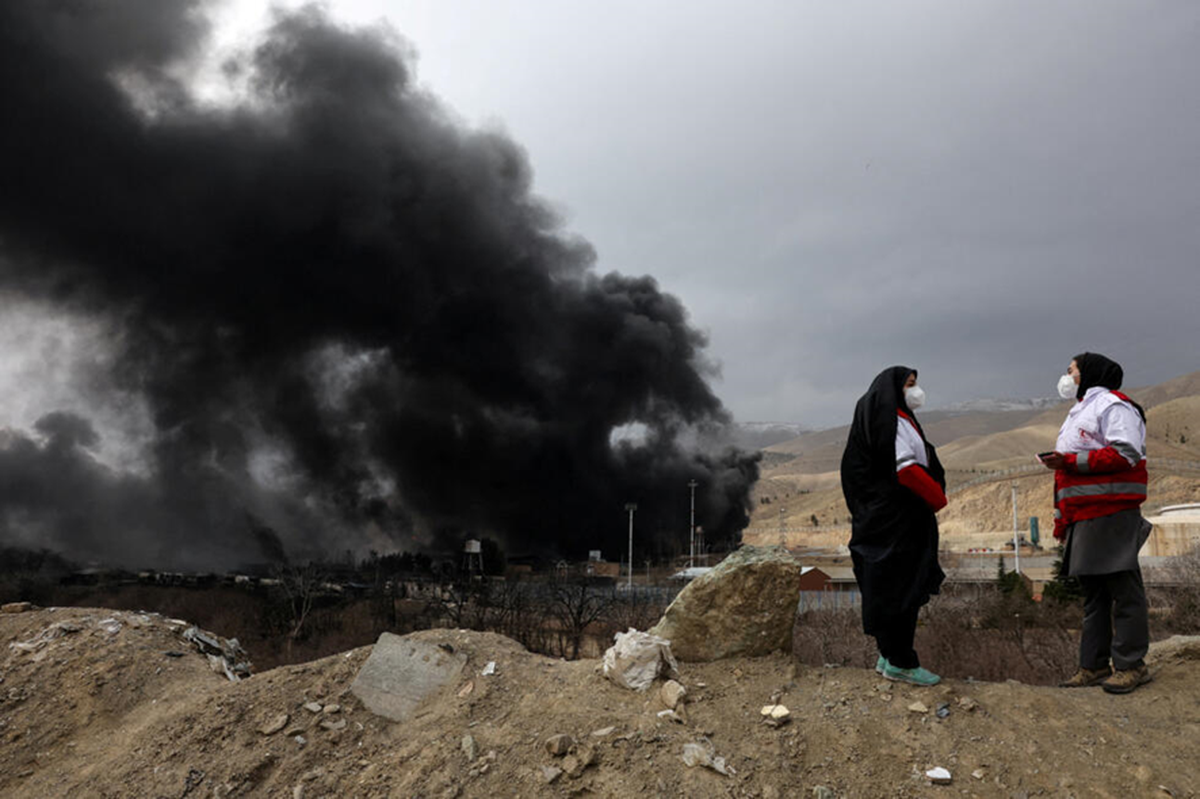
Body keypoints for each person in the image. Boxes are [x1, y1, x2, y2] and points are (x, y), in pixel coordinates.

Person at [1042, 352, 1152, 694]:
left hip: (1111, 510)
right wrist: (1063, 521)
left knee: (1123, 589)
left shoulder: (1113, 406)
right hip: (1084, 516)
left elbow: (1126, 452)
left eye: (1071, 370)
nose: (1067, 375)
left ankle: (1131, 665)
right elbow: (1066, 474)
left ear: (1087, 372)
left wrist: (1071, 460)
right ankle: (1093, 665)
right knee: (1094, 596)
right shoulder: (1080, 411)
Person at [841, 366, 947, 686]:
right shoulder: (890, 421)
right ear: (893, 390)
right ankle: (901, 661)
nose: (916, 390)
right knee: (901, 588)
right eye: (909, 385)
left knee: (890, 586)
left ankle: (888, 655)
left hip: (892, 520)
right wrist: (937, 497)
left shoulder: (898, 418)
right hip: (897, 522)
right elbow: (906, 469)